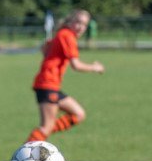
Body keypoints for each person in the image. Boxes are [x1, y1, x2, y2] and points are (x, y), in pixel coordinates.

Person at [26, 8, 104, 143]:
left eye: (84, 24)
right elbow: (76, 65)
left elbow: (44, 49)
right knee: (46, 126)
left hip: (51, 84)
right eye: (78, 22)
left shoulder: (62, 34)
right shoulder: (67, 36)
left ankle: (39, 139)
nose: (81, 27)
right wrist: (94, 67)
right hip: (47, 83)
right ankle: (23, 155)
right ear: (70, 21)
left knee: (78, 114)